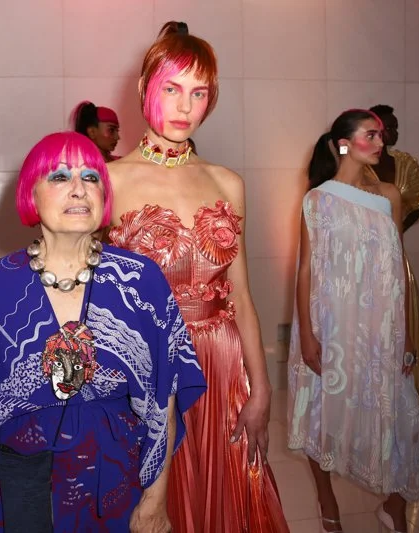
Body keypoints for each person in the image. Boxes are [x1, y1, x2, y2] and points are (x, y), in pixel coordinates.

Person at [0, 131, 207, 532]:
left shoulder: (140, 281)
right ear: (31, 194)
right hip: (22, 487)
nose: (78, 189)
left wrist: (155, 497)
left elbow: (165, 396)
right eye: (59, 177)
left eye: (91, 177)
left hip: (117, 484)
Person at [106, 21, 289, 532]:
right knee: (152, 504)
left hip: (222, 366)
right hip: (144, 370)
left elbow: (243, 297)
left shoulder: (227, 182)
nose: (185, 107)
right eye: (172, 88)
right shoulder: (107, 180)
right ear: (145, 89)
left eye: (199, 93)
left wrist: (262, 389)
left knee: (227, 497)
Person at [288, 109, 419, 533]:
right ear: (345, 143)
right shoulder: (318, 199)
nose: (381, 142)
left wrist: (405, 333)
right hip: (331, 325)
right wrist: (309, 337)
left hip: (380, 328)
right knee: (321, 412)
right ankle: (327, 502)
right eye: (372, 134)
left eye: (382, 136)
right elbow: (305, 271)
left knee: (403, 419)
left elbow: (397, 266)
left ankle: (394, 505)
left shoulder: (389, 195)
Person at [364, 104, 419, 414]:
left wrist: (392, 233)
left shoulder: (403, 164)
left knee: (408, 320)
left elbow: (417, 198)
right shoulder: (357, 164)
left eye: (396, 127)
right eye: (388, 127)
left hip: (395, 258)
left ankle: (413, 397)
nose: (394, 133)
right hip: (360, 262)